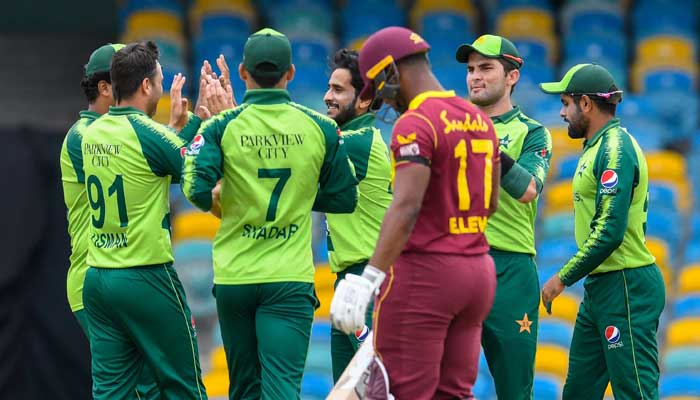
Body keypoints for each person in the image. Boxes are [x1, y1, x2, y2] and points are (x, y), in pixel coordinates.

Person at [180, 28, 358, 399]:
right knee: (281, 390)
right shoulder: (321, 128)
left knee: (244, 388)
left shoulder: (220, 126)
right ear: (290, 73)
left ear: (243, 72)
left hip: (235, 277)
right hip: (288, 279)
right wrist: (299, 194)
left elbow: (194, 188)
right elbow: (344, 198)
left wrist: (227, 199)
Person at [330, 26, 501, 399]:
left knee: (405, 393)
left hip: (427, 277)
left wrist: (368, 279)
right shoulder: (479, 119)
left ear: (392, 71)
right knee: (454, 393)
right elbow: (491, 203)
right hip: (477, 270)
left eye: (382, 87)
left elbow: (406, 206)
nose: (386, 103)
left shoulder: (416, 122)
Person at [81, 40, 208, 400]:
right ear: (146, 86)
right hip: (145, 274)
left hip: (99, 279)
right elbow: (196, 172)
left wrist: (185, 127)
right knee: (185, 387)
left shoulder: (93, 133)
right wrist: (208, 123)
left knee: (112, 392)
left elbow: (150, 162)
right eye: (160, 80)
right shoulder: (148, 135)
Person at [539, 64, 665, 399]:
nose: (562, 112)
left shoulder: (615, 149)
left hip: (625, 285)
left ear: (586, 104)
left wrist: (562, 277)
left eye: (566, 103)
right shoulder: (596, 147)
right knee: (579, 391)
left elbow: (610, 231)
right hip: (602, 286)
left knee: (634, 392)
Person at [59, 42, 167, 399]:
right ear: (105, 88)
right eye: (125, 79)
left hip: (111, 274)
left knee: (141, 384)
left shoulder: (107, 133)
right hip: (98, 276)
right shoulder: (86, 136)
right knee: (143, 384)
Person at [455, 34, 552, 399]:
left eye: (485, 68)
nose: (474, 77)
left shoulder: (531, 131)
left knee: (514, 389)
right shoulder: (448, 129)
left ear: (512, 76)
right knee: (437, 383)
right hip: (455, 262)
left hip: (510, 270)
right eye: (470, 69)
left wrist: (482, 139)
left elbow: (528, 189)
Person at [323, 48, 393, 382]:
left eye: (338, 90)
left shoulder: (356, 141)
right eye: (328, 87)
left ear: (364, 100)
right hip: (350, 282)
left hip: (368, 282)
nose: (327, 97)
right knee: (350, 389)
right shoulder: (356, 138)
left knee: (376, 388)